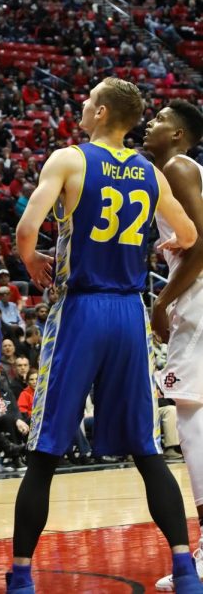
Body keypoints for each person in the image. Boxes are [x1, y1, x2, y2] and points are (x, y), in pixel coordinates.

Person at [6, 78, 202, 594]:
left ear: (100, 112)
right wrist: (149, 249)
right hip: (129, 313)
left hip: (81, 309)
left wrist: (32, 260)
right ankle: (186, 571)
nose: (82, 107)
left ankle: (21, 577)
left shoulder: (69, 159)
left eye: (87, 101)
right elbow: (186, 235)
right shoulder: (149, 173)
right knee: (146, 450)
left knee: (45, 451)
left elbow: (27, 231)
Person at [144, 101, 203, 591]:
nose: (149, 125)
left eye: (160, 119)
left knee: (192, 418)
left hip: (198, 302)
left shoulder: (179, 167)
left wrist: (161, 303)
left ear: (180, 135)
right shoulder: (177, 171)